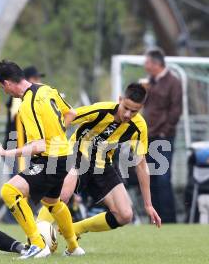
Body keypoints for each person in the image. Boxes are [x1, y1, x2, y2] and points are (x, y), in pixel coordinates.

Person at [36, 83, 162, 252]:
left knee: (125, 215)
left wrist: (148, 204)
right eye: (126, 108)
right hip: (77, 154)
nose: (127, 114)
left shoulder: (139, 127)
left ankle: (75, 229)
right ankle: (36, 237)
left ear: (141, 108)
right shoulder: (101, 110)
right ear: (120, 100)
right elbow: (69, 115)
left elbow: (141, 165)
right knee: (63, 195)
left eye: (134, 111)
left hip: (103, 165)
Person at [0, 60, 80, 259]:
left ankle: (38, 245)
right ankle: (74, 247)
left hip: (50, 159)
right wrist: (57, 135)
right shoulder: (47, 89)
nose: (6, 92)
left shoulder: (27, 105)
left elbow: (38, 146)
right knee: (53, 203)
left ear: (7, 83)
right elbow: (71, 113)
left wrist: (6, 153)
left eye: (3, 88)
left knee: (9, 191)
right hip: (64, 155)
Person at [143, 48, 182, 223]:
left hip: (162, 137)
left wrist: (164, 131)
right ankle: (154, 217)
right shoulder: (149, 83)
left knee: (163, 177)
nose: (145, 66)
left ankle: (168, 218)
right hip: (148, 137)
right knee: (149, 177)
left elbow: (176, 110)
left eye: (147, 62)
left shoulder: (173, 82)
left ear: (156, 64)